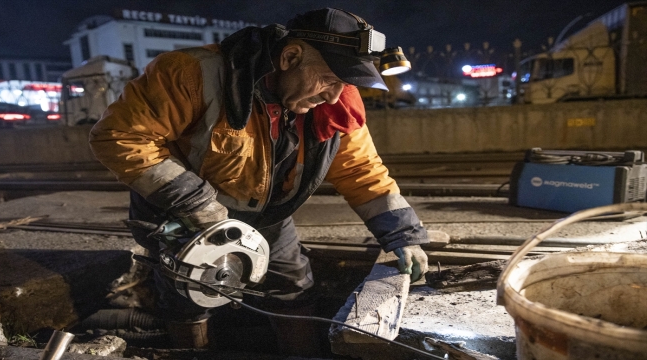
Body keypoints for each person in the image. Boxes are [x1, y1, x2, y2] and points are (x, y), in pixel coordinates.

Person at [89, 7, 436, 355]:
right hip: (182, 212)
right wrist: (194, 204)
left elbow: (361, 171)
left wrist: (401, 235)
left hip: (267, 215)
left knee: (294, 286)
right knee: (189, 292)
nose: (334, 95)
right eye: (330, 79)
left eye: (344, 84)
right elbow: (120, 136)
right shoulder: (193, 74)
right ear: (290, 56)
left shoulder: (336, 103)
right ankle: (192, 351)